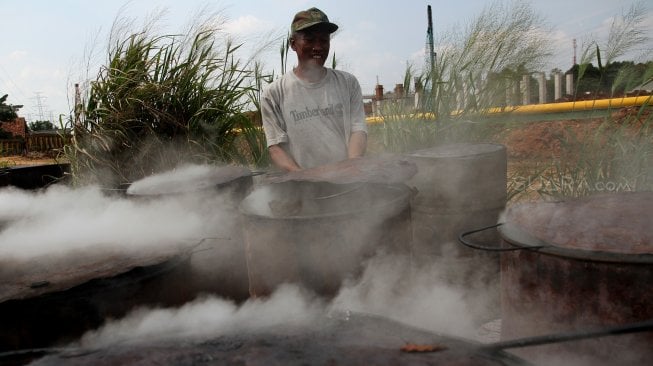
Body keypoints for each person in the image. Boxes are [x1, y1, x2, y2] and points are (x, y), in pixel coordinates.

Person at [261, 7, 367, 172]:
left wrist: (351, 169)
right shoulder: (274, 94)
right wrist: (305, 178)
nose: (318, 47)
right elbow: (276, 147)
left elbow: (358, 129)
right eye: (309, 40)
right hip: (303, 186)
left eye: (324, 40)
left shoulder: (348, 83)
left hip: (347, 181)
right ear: (293, 44)